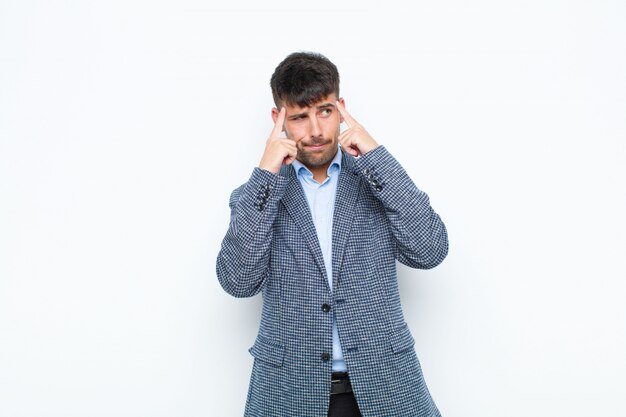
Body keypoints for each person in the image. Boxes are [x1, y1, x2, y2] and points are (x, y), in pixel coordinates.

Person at [216, 51, 448, 417]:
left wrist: (377, 157)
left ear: (341, 108)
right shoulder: (257, 196)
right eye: (299, 117)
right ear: (278, 121)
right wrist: (266, 172)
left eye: (325, 111)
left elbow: (430, 249)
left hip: (386, 385)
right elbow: (237, 281)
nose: (316, 130)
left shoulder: (376, 181)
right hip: (288, 391)